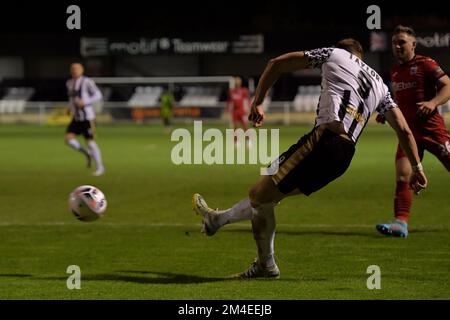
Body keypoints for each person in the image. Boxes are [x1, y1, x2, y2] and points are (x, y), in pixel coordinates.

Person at [192, 39, 428, 279]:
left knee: (259, 195)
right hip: (344, 157)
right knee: (267, 193)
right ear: (361, 58)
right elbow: (404, 130)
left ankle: (265, 265)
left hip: (324, 141)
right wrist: (417, 167)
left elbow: (277, 64)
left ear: (344, 51)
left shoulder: (334, 54)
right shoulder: (380, 84)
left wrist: (259, 102)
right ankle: (217, 220)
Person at [375, 26, 450, 238]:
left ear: (413, 45)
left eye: (402, 42)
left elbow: (448, 85)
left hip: (433, 130)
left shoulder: (425, 64)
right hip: (408, 135)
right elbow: (399, 101)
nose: (397, 46)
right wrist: (386, 114)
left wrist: (433, 102)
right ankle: (400, 223)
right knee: (402, 175)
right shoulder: (395, 71)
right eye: (394, 43)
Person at [65, 62, 105, 176]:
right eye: (72, 68)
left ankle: (100, 167)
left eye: (77, 68)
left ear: (82, 70)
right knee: (68, 139)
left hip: (88, 117)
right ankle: (87, 154)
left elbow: (98, 94)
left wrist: (86, 102)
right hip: (76, 118)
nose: (74, 70)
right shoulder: (69, 83)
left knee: (91, 142)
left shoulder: (87, 81)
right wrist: (69, 108)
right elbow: (71, 98)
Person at [227, 76, 251, 146]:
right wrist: (229, 109)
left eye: (238, 81)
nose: (237, 83)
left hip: (242, 111)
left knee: (245, 126)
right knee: (235, 127)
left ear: (240, 82)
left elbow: (248, 100)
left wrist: (248, 109)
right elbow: (230, 101)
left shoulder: (244, 90)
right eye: (236, 81)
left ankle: (248, 140)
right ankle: (236, 142)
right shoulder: (231, 91)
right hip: (234, 112)